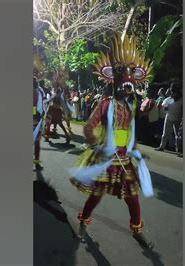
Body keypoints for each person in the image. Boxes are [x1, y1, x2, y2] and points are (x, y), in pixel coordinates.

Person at [69, 33, 155, 249]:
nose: (127, 82)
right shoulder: (106, 104)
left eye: (130, 75)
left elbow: (129, 132)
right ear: (115, 80)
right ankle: (83, 223)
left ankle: (137, 230)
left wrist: (135, 151)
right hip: (107, 159)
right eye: (122, 75)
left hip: (124, 160)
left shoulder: (131, 106)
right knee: (95, 197)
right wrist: (98, 144)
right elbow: (89, 126)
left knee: (132, 197)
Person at [155, 83, 183, 156]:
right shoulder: (180, 99)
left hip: (171, 117)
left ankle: (163, 147)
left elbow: (164, 109)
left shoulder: (170, 99)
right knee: (177, 134)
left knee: (167, 133)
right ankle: (178, 149)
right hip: (177, 117)